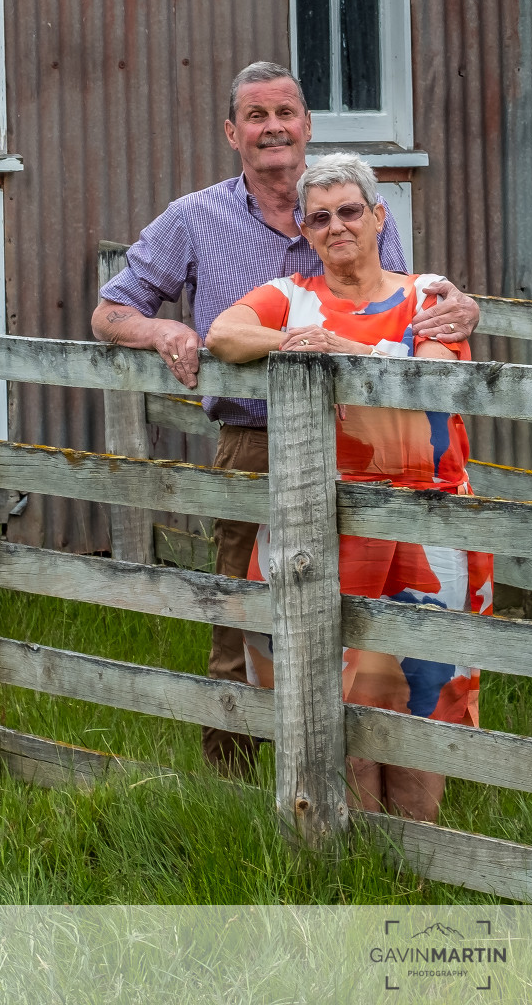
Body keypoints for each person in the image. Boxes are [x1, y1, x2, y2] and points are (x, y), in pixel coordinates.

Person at [93, 60, 480, 774]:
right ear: (232, 132)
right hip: (257, 440)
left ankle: (350, 765)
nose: (272, 128)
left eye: (285, 113)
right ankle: (237, 780)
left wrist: (463, 309)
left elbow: (405, 307)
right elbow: (112, 309)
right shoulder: (195, 217)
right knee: (245, 614)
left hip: (366, 449)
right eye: (256, 116)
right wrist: (163, 330)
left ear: (306, 125)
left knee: (363, 616)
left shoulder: (350, 204)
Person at [206, 152, 490, 822]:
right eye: (320, 217)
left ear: (379, 217)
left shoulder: (427, 295)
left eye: (350, 211)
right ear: (305, 231)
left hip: (427, 520)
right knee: (330, 690)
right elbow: (223, 333)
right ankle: (345, 853)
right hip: (320, 517)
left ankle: (416, 850)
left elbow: (430, 375)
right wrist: (287, 340)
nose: (337, 226)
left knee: (425, 689)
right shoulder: (291, 296)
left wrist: (342, 352)